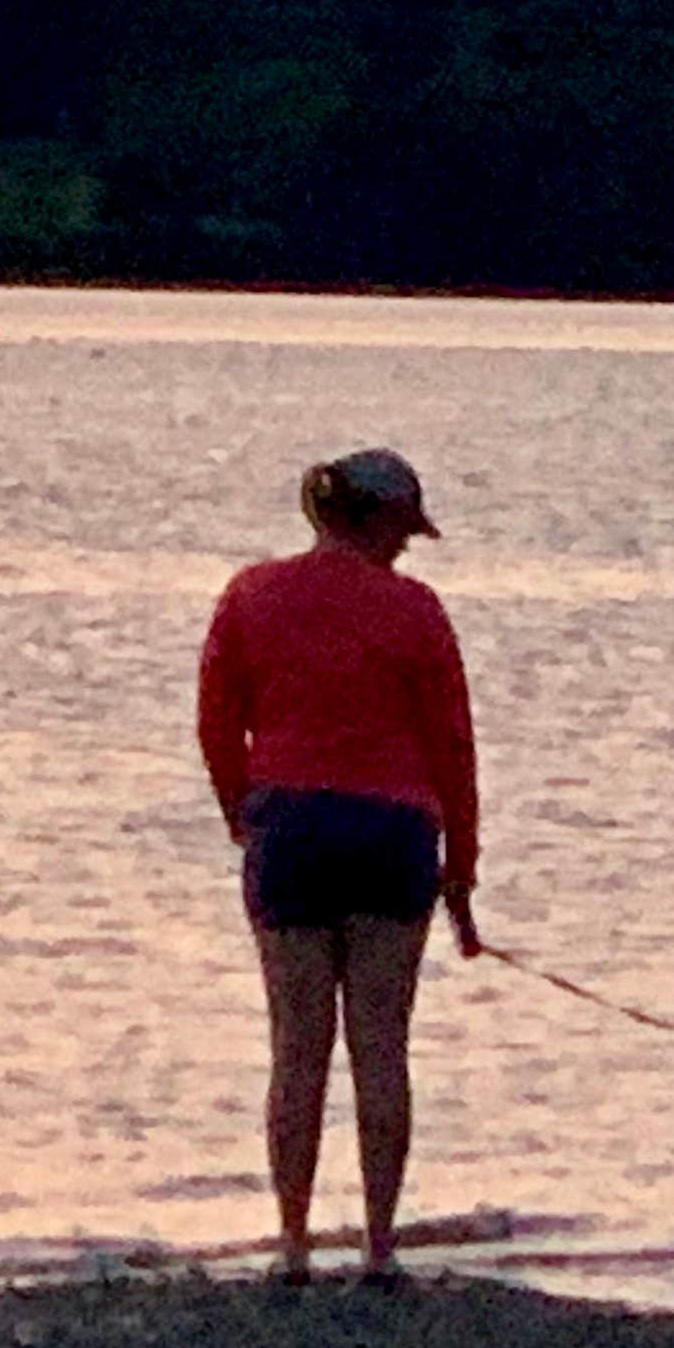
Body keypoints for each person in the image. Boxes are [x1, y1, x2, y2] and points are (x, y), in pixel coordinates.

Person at [195, 446, 482, 1286]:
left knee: (297, 1045)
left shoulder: (251, 594)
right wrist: (461, 872)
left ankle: (293, 1242)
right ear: (376, 519)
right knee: (381, 1046)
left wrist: (243, 815)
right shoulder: (416, 611)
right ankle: (379, 1247)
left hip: (289, 825)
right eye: (402, 529)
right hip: (393, 830)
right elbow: (453, 748)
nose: (406, 545)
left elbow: (217, 723)